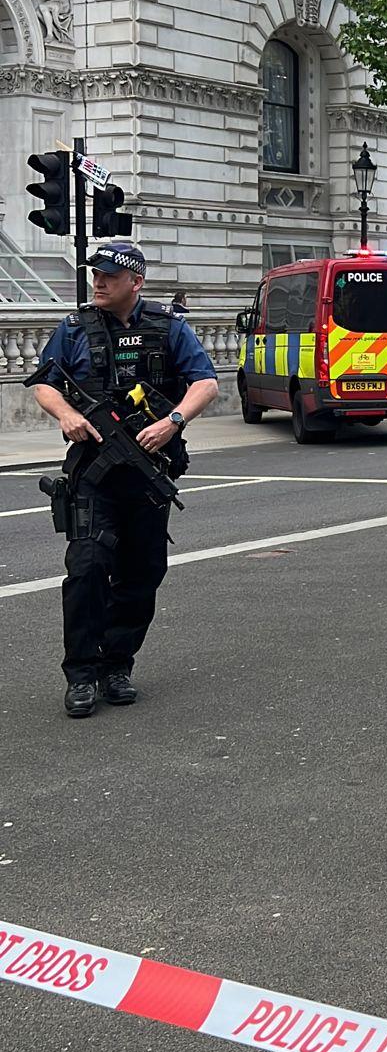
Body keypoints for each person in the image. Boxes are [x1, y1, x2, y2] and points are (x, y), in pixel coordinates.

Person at [31, 242, 218, 718]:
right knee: (87, 569)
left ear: (136, 282)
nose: (99, 281)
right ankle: (81, 675)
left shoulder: (169, 327)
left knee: (141, 575)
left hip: (147, 471)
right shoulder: (73, 329)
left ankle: (117, 666)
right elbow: (44, 383)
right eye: (96, 273)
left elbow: (206, 382)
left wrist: (172, 421)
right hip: (93, 473)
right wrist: (67, 415)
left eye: (110, 275)